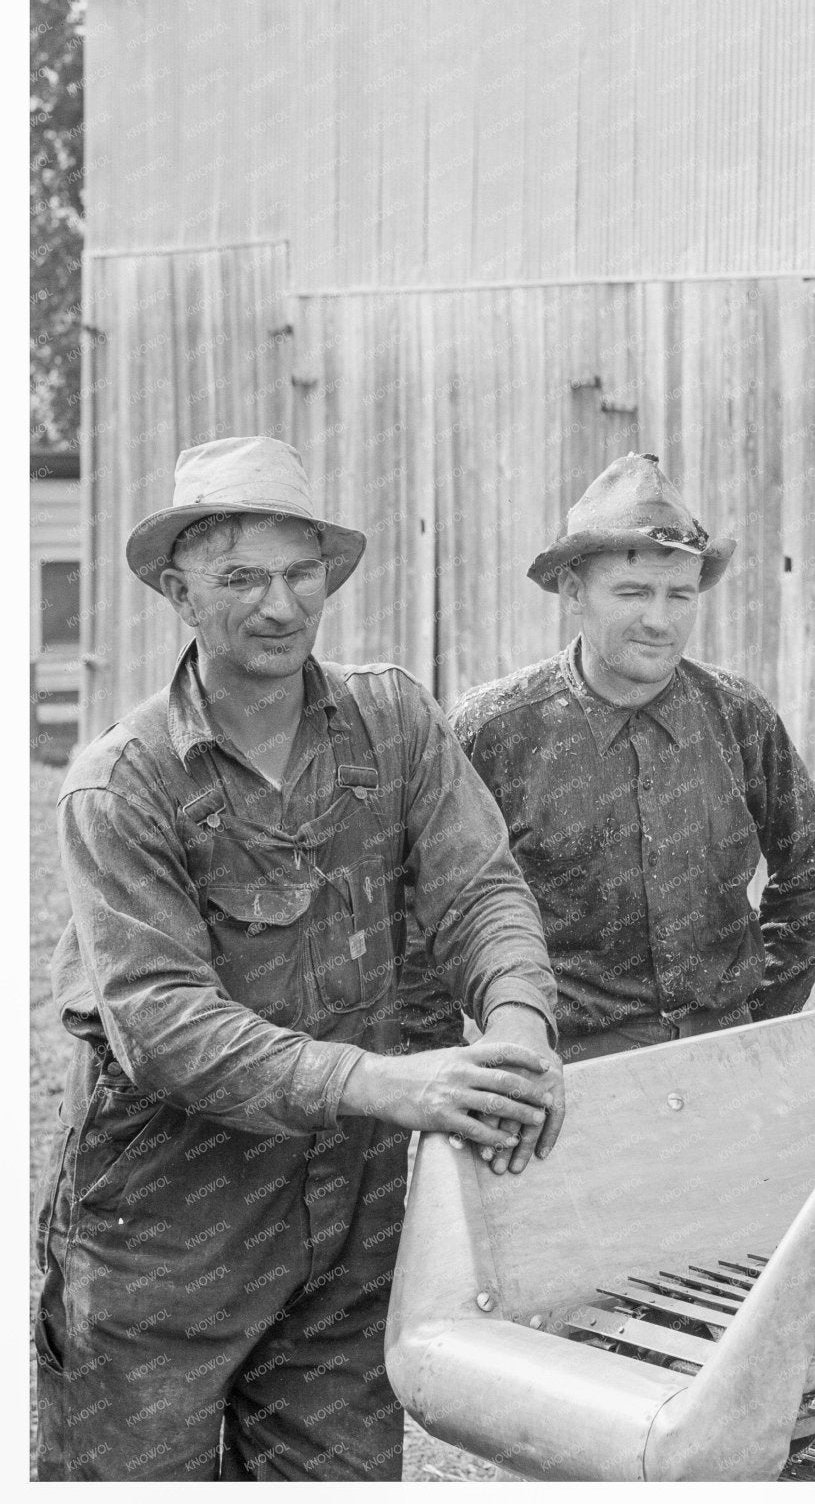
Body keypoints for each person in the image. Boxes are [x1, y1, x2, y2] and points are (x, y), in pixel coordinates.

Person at [35, 437, 564, 1481]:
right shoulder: (120, 786)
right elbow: (167, 1027)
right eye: (240, 578)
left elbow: (479, 889)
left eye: (300, 573)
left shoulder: (394, 721)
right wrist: (385, 1079)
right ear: (180, 592)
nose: (279, 605)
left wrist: (517, 1026)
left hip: (346, 1230)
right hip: (165, 1237)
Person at [405, 454, 815, 1062]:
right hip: (568, 1076)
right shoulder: (492, 732)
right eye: (633, 591)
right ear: (574, 591)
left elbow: (809, 879)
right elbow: (427, 922)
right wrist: (448, 1072)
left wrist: (756, 1021)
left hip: (728, 1061)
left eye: (679, 594)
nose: (660, 620)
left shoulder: (740, 718)